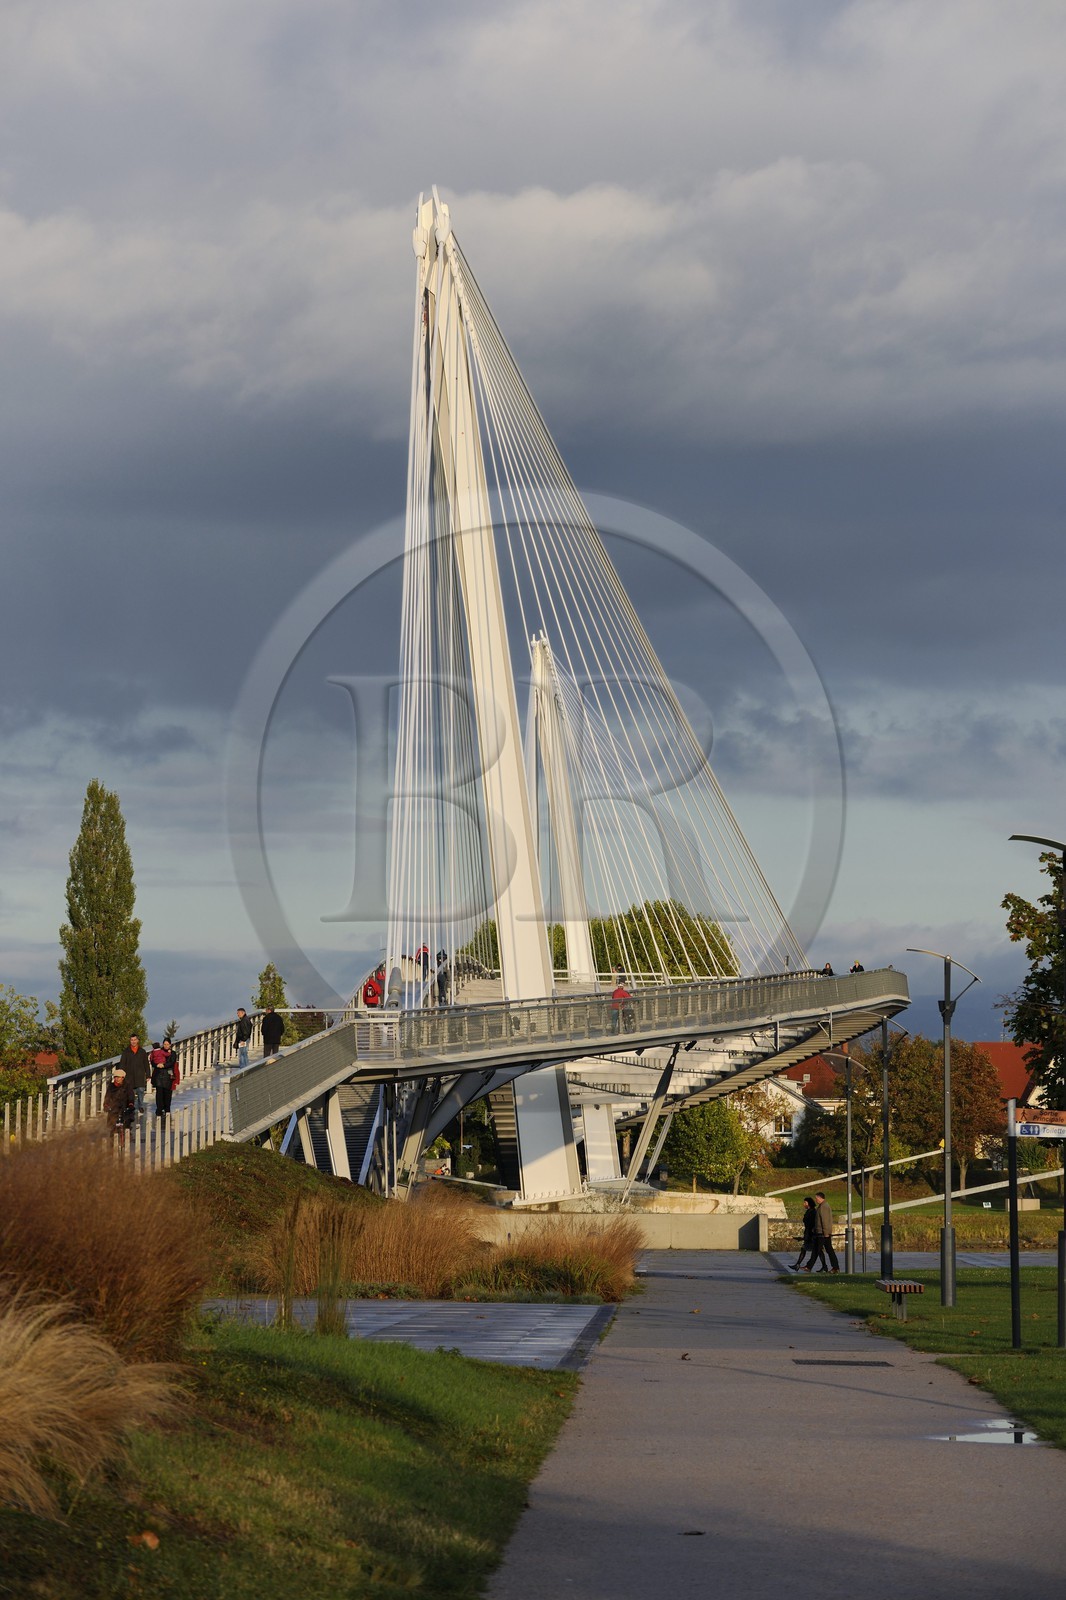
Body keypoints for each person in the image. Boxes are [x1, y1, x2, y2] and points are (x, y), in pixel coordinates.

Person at [119, 1034, 151, 1119]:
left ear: (137, 1040)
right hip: (129, 1076)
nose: (133, 1041)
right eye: (131, 1040)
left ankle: (140, 1105)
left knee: (140, 1091)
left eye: (134, 1040)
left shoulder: (142, 1051)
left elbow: (146, 1064)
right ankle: (131, 1107)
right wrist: (121, 1075)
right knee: (130, 1093)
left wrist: (148, 1075)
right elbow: (122, 1064)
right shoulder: (126, 1051)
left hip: (140, 1075)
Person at [103, 1066, 135, 1148]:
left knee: (126, 1124)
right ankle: (111, 1144)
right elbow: (107, 1096)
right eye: (115, 1077)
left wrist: (130, 1104)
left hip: (124, 1108)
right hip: (114, 1108)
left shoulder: (127, 1086)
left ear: (123, 1078)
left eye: (118, 1077)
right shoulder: (111, 1086)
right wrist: (106, 1105)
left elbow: (131, 1096)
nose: (117, 1079)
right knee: (112, 1127)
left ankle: (125, 1138)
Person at [790, 1196, 822, 1272]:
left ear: (809, 1203)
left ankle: (797, 1264)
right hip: (808, 1234)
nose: (804, 1204)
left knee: (816, 1251)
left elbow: (812, 1225)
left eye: (805, 1202)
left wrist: (808, 1236)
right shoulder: (809, 1211)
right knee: (817, 1251)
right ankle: (797, 1264)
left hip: (811, 1235)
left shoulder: (813, 1212)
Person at [811, 1191, 840, 1273]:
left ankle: (809, 1266)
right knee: (828, 1250)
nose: (816, 1200)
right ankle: (834, 1267)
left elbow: (825, 1221)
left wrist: (826, 1232)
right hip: (823, 1233)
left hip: (823, 1233)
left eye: (816, 1198)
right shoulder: (822, 1206)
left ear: (820, 1198)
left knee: (817, 1250)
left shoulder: (824, 1207)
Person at [151, 1040, 180, 1120]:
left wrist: (163, 1065)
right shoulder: (158, 1051)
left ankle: (167, 1109)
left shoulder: (173, 1053)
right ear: (162, 1044)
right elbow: (152, 1061)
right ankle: (159, 1109)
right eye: (165, 1044)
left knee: (167, 1093)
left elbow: (172, 1062)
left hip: (168, 1075)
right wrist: (157, 1064)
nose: (166, 1045)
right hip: (158, 1075)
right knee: (159, 1093)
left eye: (168, 1044)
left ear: (170, 1044)